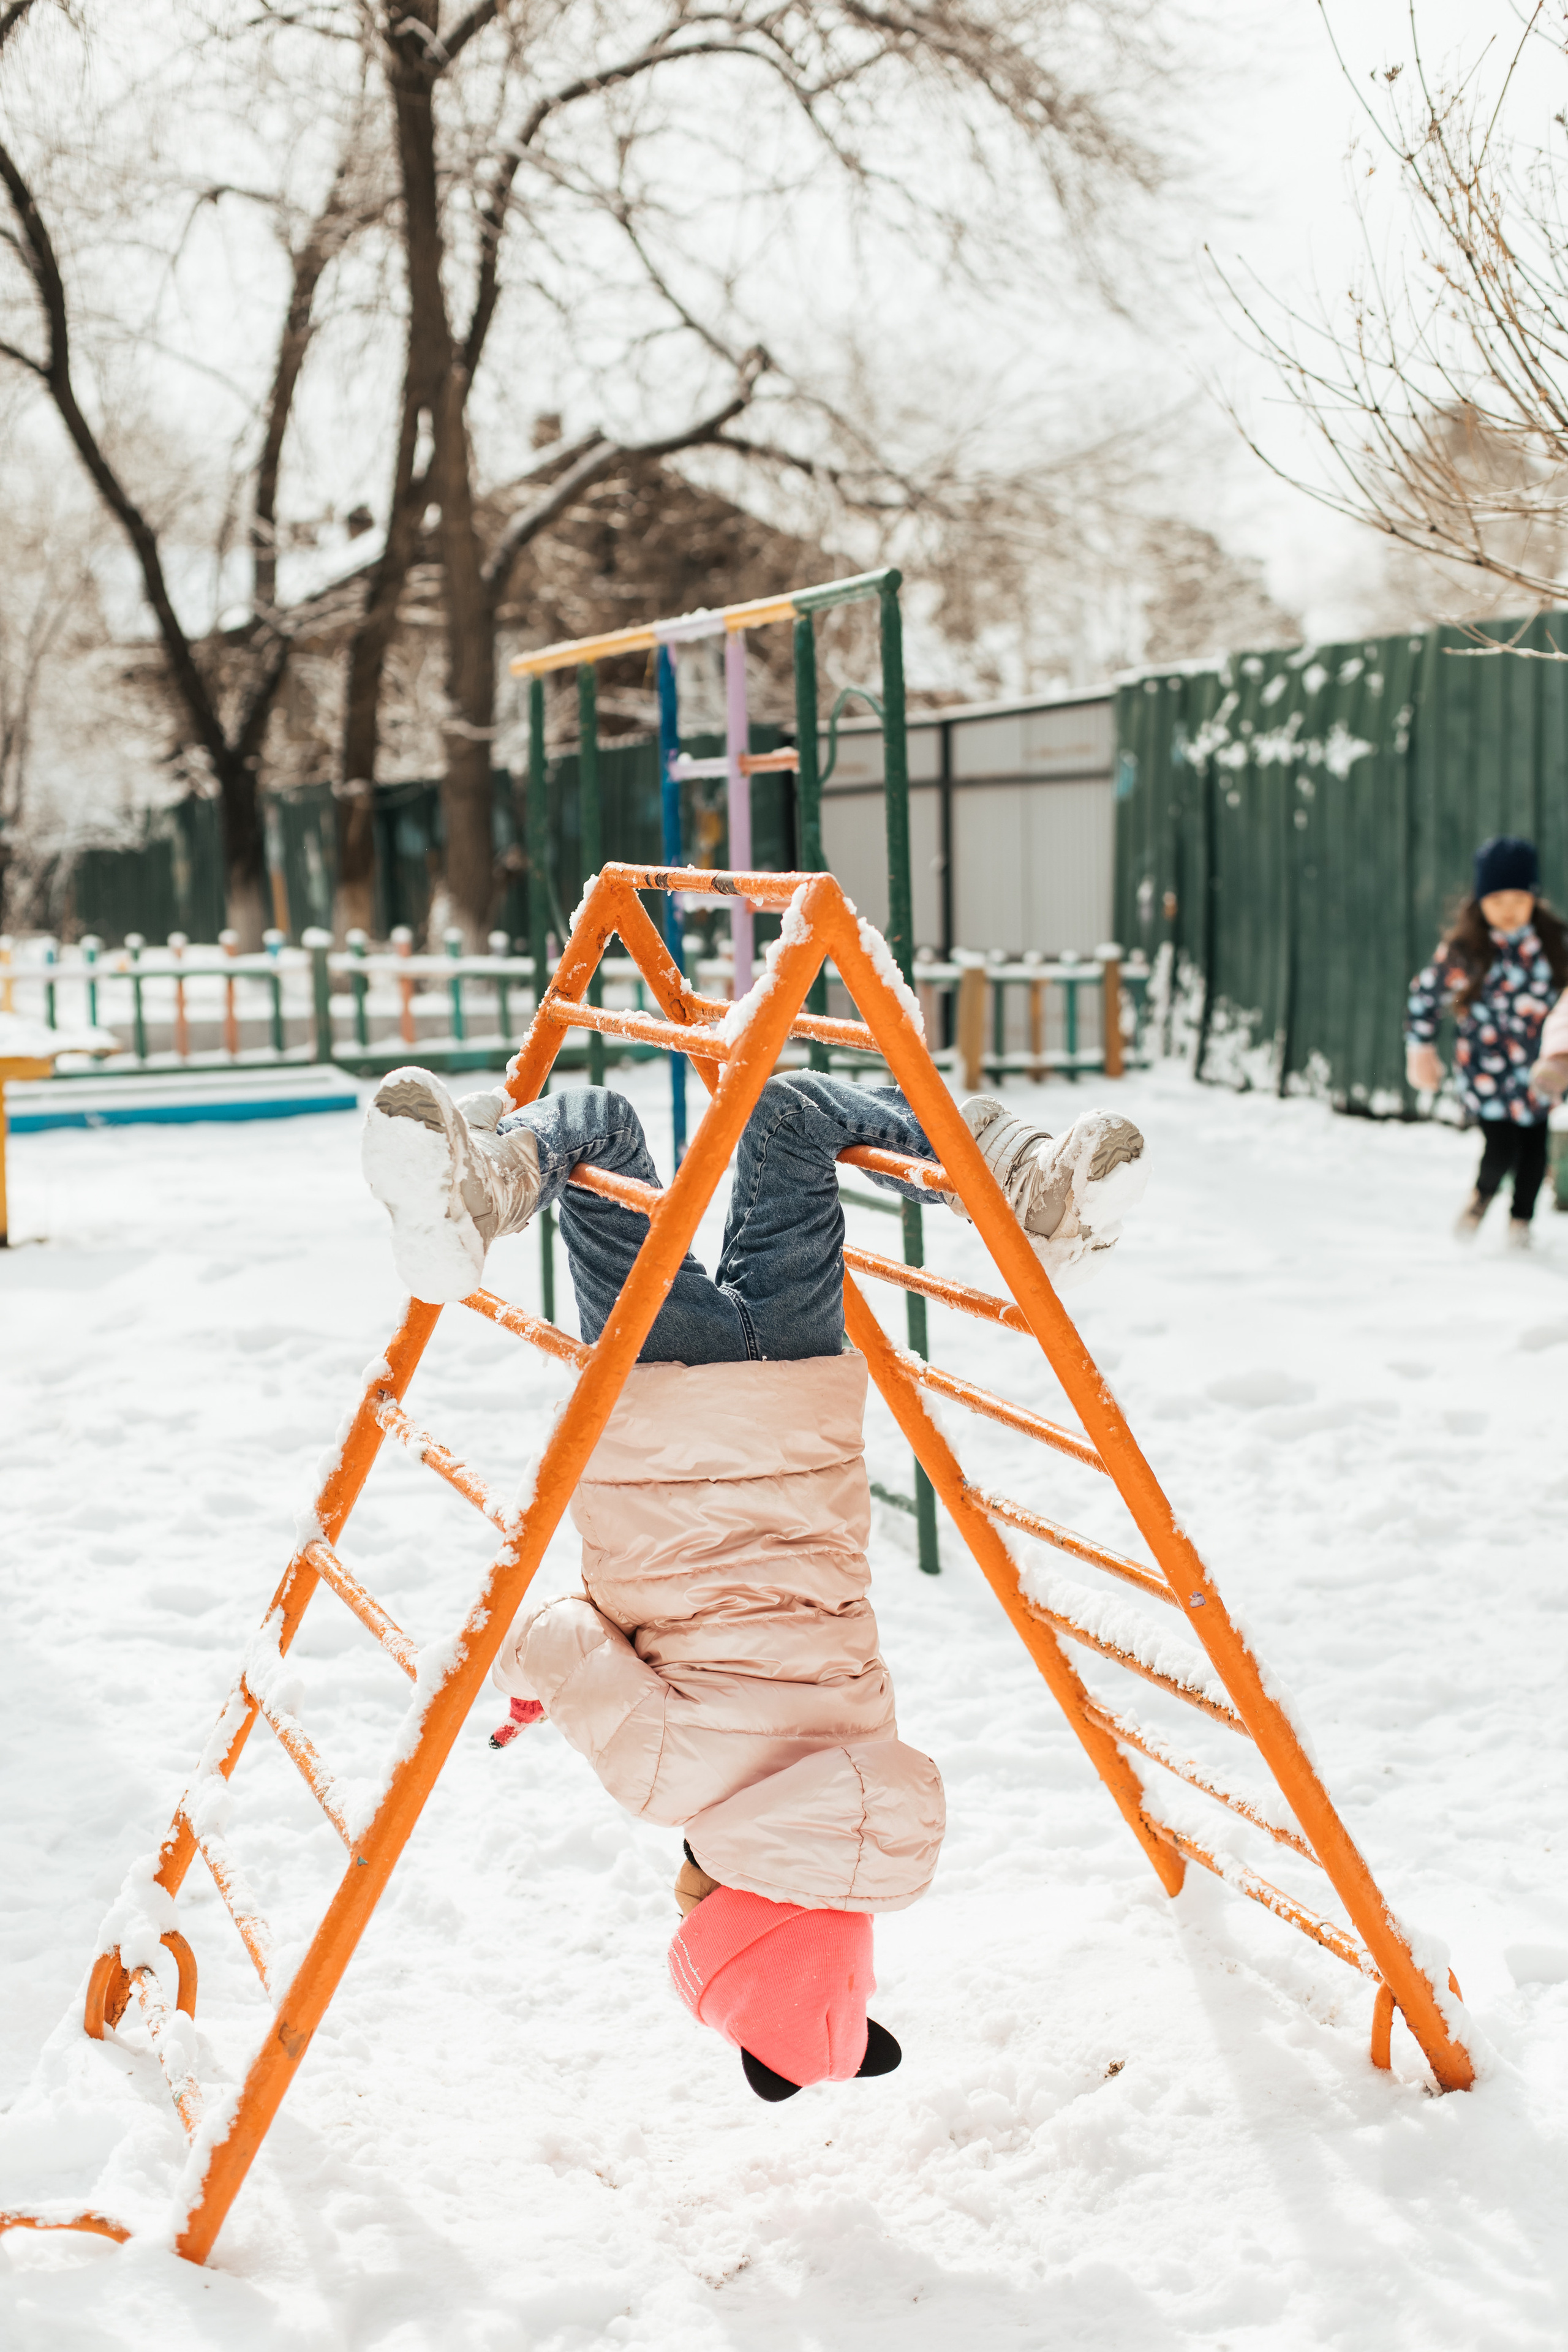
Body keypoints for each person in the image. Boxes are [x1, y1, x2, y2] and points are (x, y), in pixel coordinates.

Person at [361, 1064, 1147, 2100]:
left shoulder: (871, 1758)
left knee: (795, 1116)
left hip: (801, 1394)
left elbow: (774, 1659)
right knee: (600, 1135)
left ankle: (1011, 1180)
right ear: (744, 1910)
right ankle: (488, 1185)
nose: (680, 1890)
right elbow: (558, 1642)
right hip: (666, 1407)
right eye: (694, 1908)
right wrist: (525, 1681)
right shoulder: (666, 1785)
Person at [1404, 835, 1567, 1246]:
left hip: (1538, 1074)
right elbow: (1425, 998)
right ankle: (1480, 1199)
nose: (1508, 910)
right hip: (1487, 1073)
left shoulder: (1553, 945)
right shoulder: (1467, 951)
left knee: (1535, 1153)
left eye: (1518, 899)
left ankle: (1520, 1225)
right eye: (1497, 900)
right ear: (1480, 902)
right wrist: (1421, 1049)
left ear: (1533, 898)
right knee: (1501, 1148)